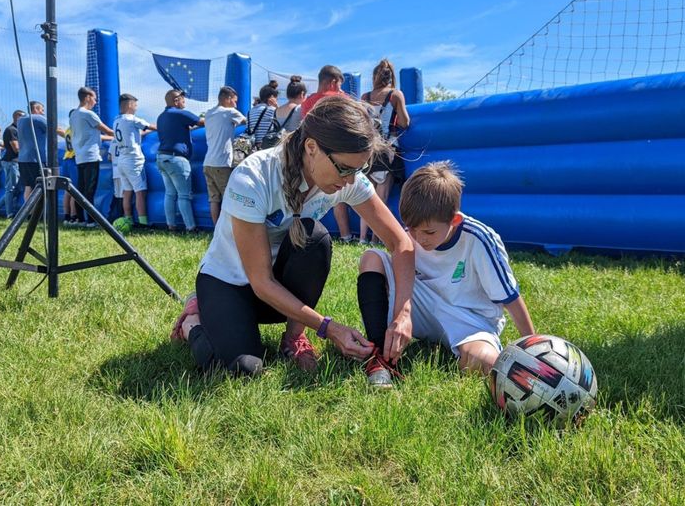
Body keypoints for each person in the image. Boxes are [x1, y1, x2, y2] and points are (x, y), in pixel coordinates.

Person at [171, 96, 414, 377]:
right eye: (345, 169)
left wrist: (403, 314)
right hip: (230, 282)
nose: (350, 180)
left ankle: (294, 337)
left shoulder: (346, 178)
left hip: (275, 289)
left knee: (315, 238)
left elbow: (401, 243)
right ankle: (193, 320)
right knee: (241, 369)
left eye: (358, 170)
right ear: (311, 147)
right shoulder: (253, 177)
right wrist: (328, 327)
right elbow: (261, 282)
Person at [357, 161, 535, 388]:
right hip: (422, 306)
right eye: (411, 229)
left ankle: (477, 354)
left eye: (428, 232)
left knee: (488, 363)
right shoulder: (411, 234)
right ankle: (379, 355)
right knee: (371, 258)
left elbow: (509, 298)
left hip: (468, 318)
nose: (419, 238)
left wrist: (533, 348)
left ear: (455, 220)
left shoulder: (478, 239)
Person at [359, 59, 411, 245]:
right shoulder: (395, 95)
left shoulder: (364, 97)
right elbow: (405, 122)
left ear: (374, 77)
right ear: (392, 77)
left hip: (368, 149)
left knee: (366, 196)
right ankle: (375, 238)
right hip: (387, 149)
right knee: (381, 198)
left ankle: (362, 238)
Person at [301, 65, 354, 242]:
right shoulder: (340, 98)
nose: (340, 89)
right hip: (337, 156)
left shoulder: (308, 102)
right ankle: (346, 234)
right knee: (339, 195)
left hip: (311, 158)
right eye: (339, 84)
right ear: (332, 82)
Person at [156, 89, 204, 232]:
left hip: (161, 157)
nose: (185, 101)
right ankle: (191, 227)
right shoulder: (181, 113)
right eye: (183, 99)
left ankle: (171, 225)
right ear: (176, 101)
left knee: (170, 194)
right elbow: (202, 122)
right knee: (184, 195)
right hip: (176, 159)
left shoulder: (161, 116)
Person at [70, 87, 114, 227]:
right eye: (94, 98)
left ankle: (80, 219)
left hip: (80, 156)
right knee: (90, 189)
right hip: (91, 155)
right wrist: (121, 133)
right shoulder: (89, 114)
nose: (95, 101)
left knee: (81, 188)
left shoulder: (74, 115)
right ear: (87, 97)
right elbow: (107, 130)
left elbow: (95, 134)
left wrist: (110, 137)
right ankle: (90, 220)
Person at [203, 86, 246, 225]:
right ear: (227, 99)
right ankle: (228, 229)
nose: (236, 104)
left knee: (214, 199)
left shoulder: (209, 113)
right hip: (222, 163)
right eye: (234, 100)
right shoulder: (230, 112)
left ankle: (217, 229)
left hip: (208, 162)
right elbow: (247, 122)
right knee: (229, 198)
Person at [113, 93, 155, 228]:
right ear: (130, 104)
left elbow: (132, 134)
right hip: (134, 160)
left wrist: (144, 133)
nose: (136, 108)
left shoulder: (117, 120)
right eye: (136, 105)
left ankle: (128, 220)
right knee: (140, 192)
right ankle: (143, 223)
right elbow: (153, 127)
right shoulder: (132, 119)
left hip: (122, 159)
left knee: (127, 191)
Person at [0, 110, 24, 218]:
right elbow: (16, 148)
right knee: (11, 188)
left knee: (17, 189)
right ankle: (10, 214)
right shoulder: (11, 130)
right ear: (16, 117)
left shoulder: (18, 130)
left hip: (14, 162)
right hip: (11, 162)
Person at [246, 81, 278, 147]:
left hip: (252, 147)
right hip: (266, 146)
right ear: (272, 97)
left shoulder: (250, 112)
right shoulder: (272, 110)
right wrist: (276, 105)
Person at [61, 112, 80, 224]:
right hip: (73, 159)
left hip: (66, 159)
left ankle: (67, 216)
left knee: (67, 190)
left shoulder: (68, 129)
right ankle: (74, 216)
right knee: (74, 190)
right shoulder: (77, 129)